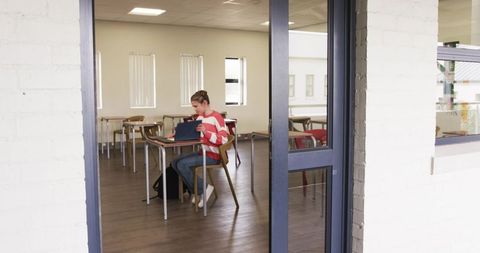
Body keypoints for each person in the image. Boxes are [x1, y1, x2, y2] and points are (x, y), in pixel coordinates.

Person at [170, 90, 228, 208]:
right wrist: (176, 135)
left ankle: (205, 188)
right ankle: (197, 191)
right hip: (203, 152)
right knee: (175, 162)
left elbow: (223, 139)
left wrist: (206, 132)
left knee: (182, 165)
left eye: (196, 106)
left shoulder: (217, 118)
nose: (195, 109)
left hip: (214, 156)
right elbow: (194, 135)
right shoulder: (200, 117)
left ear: (205, 103)